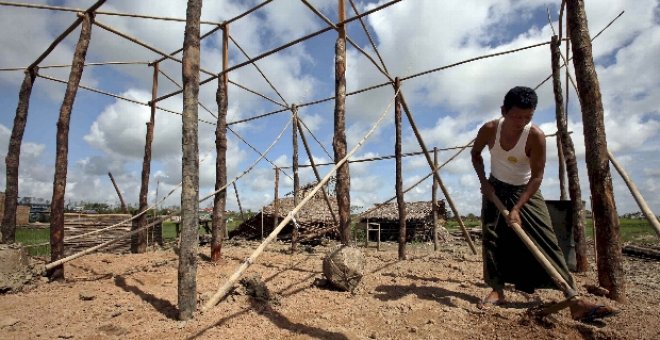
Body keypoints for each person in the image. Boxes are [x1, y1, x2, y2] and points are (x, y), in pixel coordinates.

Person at [470, 86, 616, 322]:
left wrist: (517, 208)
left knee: (546, 239)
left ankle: (573, 297)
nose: (521, 122)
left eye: (527, 117)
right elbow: (475, 154)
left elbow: (537, 177)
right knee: (492, 237)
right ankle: (497, 290)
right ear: (503, 111)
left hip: (525, 190)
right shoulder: (489, 130)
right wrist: (484, 182)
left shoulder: (535, 136)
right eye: (516, 116)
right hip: (495, 188)